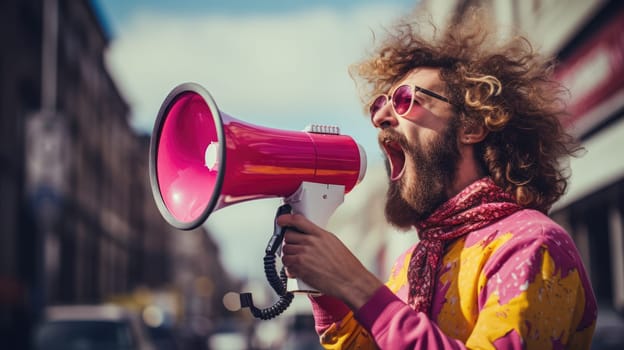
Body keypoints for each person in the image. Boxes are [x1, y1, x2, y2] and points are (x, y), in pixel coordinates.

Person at [276, 8, 597, 350]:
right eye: (381, 106)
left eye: (405, 101)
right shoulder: (413, 263)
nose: (381, 117)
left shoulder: (532, 244)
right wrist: (326, 291)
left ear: (472, 126)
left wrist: (356, 284)